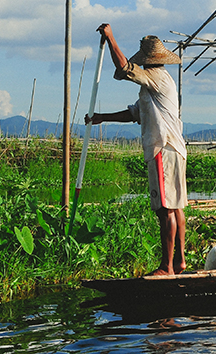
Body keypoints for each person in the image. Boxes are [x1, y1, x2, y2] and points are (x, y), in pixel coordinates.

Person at [85, 23, 187, 277]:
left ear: (147, 61)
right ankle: (179, 263)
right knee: (174, 208)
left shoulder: (155, 77)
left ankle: (167, 267)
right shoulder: (155, 84)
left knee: (165, 210)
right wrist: (101, 117)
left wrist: (110, 38)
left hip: (163, 147)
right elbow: (134, 113)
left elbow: (124, 69)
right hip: (173, 148)